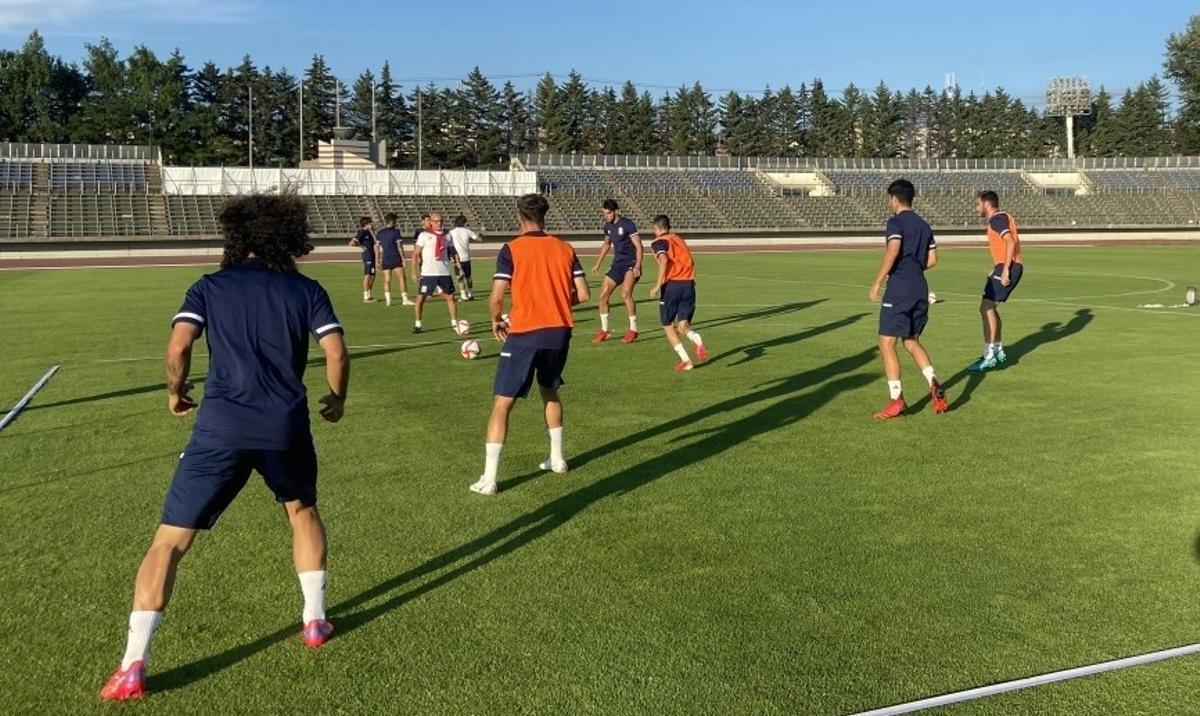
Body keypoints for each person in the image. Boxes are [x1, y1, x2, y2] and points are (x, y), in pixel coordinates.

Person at [99, 194, 350, 701]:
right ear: (288, 237)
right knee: (302, 512)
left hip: (221, 428)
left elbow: (178, 347)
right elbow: (337, 351)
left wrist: (175, 392)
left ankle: (133, 665)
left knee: (169, 541)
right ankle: (315, 621)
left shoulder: (209, 287)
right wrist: (337, 399)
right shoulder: (306, 289)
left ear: (236, 237)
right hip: (284, 426)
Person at [471, 193, 589, 496]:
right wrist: (558, 301)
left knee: (502, 403)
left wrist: (497, 319)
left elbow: (497, 296)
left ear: (519, 217)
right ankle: (558, 459)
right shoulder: (565, 247)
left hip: (524, 332)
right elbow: (583, 294)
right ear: (544, 216)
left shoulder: (512, 248)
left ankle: (489, 478)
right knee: (549, 390)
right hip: (559, 332)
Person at [868, 179, 947, 420]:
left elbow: (893, 250)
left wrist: (877, 281)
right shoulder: (924, 225)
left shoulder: (896, 222)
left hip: (899, 288)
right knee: (911, 340)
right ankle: (932, 380)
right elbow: (933, 260)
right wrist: (914, 265)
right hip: (919, 288)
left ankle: (896, 400)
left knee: (887, 342)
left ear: (894, 198)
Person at [969, 190, 1024, 372]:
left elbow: (1009, 242)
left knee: (986, 308)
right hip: (1006, 266)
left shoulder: (996, 219)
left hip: (1009, 267)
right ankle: (997, 349)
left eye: (978, 203)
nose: (977, 207)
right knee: (990, 307)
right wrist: (999, 266)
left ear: (986, 204)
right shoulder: (1004, 216)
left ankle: (989, 355)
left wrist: (1005, 269)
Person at [647, 214, 708, 371]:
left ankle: (686, 360)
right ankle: (694, 337)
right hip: (688, 285)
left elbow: (664, 260)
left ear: (658, 229)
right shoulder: (679, 240)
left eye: (654, 229)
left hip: (672, 286)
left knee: (667, 325)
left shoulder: (659, 241)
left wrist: (657, 284)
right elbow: (690, 260)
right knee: (683, 325)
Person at [590, 199, 642, 344]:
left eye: (608, 213)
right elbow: (606, 245)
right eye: (604, 213)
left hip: (630, 264)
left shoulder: (628, 224)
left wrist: (638, 265)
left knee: (625, 294)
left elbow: (639, 246)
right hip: (617, 264)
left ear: (616, 211)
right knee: (602, 295)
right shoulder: (607, 226)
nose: (606, 216)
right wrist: (597, 264)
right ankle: (605, 331)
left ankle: (633, 330)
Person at [411, 211, 461, 334]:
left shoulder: (447, 235)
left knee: (450, 297)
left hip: (444, 272)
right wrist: (414, 272)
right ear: (431, 222)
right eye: (436, 221)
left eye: (441, 221)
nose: (439, 223)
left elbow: (452, 251)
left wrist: (457, 263)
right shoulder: (424, 235)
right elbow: (415, 254)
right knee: (421, 298)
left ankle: (454, 324)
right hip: (428, 273)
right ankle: (418, 324)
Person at [376, 212, 414, 307]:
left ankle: (388, 301)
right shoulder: (396, 232)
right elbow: (400, 247)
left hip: (386, 259)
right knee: (401, 278)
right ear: (392, 221)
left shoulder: (380, 233)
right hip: (395, 258)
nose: (396, 222)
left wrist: (377, 260)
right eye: (395, 221)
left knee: (387, 280)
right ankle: (404, 299)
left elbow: (376, 247)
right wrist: (403, 259)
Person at [449, 214, 482, 301]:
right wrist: (481, 234)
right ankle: (470, 293)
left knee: (459, 277)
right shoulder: (467, 231)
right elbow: (479, 239)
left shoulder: (451, 232)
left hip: (457, 258)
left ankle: (463, 294)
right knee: (468, 276)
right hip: (466, 257)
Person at [349, 216, 377, 302]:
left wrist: (372, 231)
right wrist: (361, 246)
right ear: (367, 224)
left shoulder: (370, 232)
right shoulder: (362, 232)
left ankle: (368, 295)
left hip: (372, 255)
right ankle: (365, 297)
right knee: (367, 275)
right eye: (371, 222)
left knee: (372, 276)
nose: (372, 224)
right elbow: (351, 243)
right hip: (367, 255)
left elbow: (376, 241)